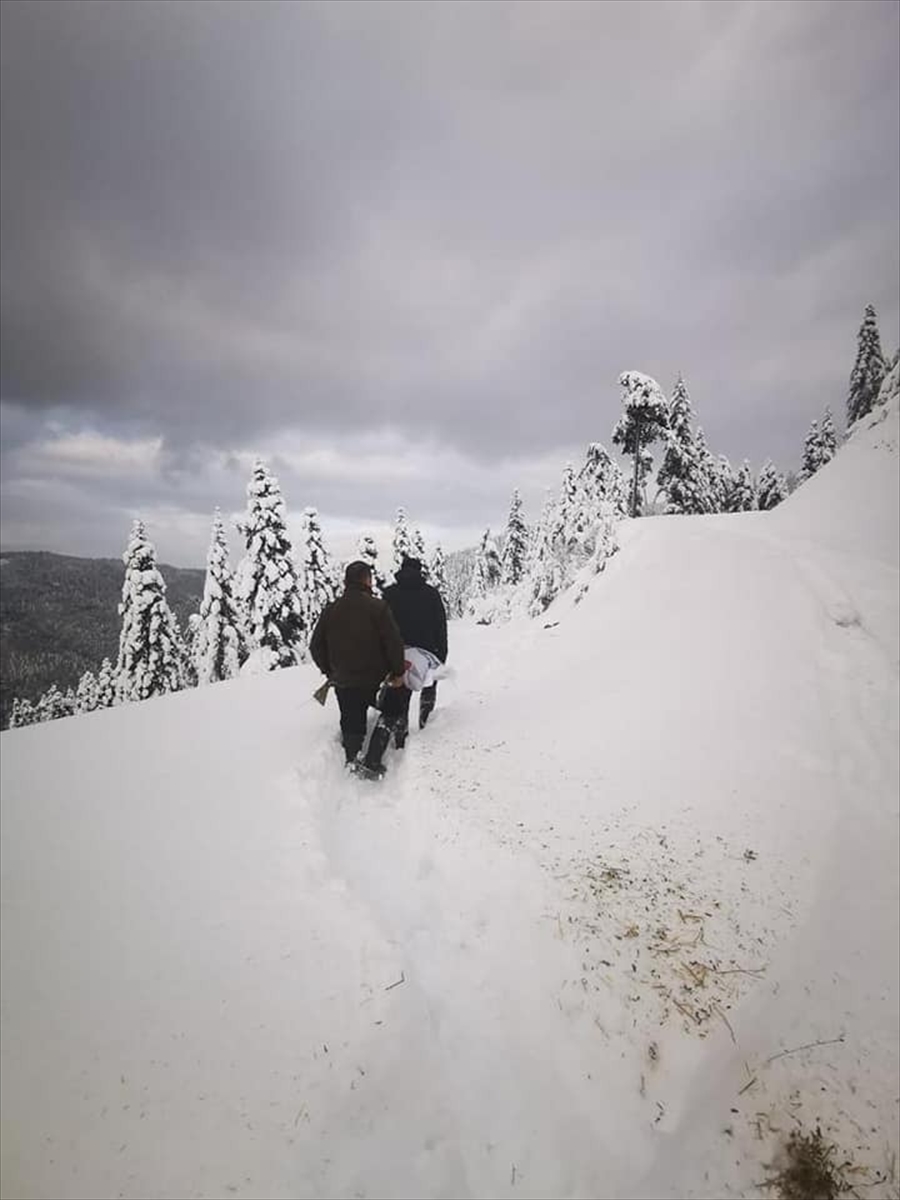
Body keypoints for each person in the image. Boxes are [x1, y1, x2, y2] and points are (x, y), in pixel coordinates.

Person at [309, 561, 406, 777]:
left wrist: (330, 671)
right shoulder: (378, 608)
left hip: (343, 680)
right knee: (391, 709)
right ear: (367, 580)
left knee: (351, 720)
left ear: (346, 582)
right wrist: (397, 672)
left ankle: (352, 760)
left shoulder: (330, 610)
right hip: (375, 679)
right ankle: (373, 758)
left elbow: (315, 646)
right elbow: (393, 643)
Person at [382, 556, 448, 744]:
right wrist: (441, 656)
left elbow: (381, 626)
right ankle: (425, 723)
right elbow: (440, 627)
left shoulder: (389, 594)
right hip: (427, 653)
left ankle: (400, 734)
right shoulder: (431, 594)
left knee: (400, 692)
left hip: (398, 652)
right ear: (420, 571)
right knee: (428, 689)